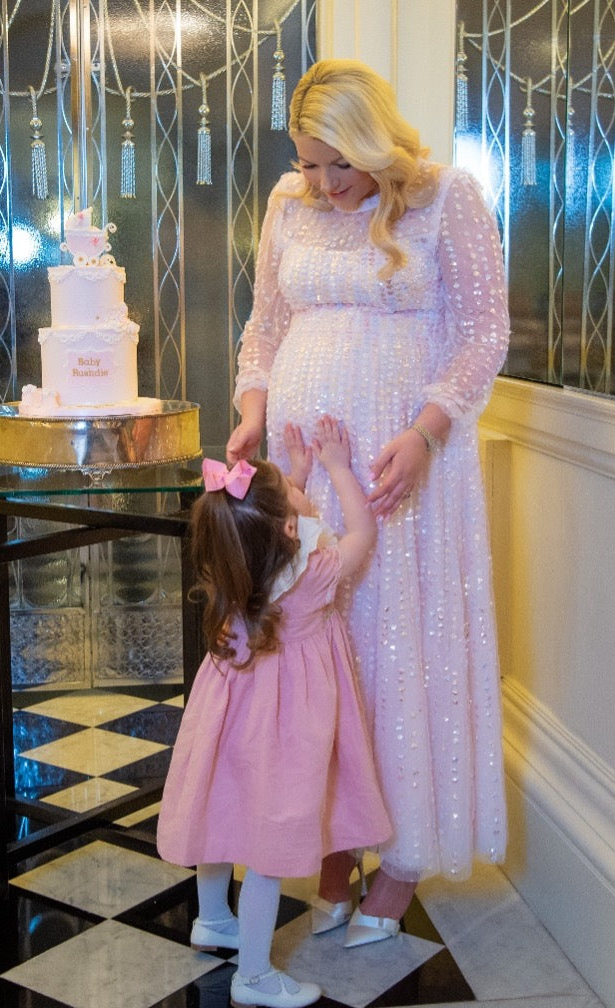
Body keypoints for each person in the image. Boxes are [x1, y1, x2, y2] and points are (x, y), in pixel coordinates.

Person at [226, 58, 509, 945]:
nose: (320, 183)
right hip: (306, 465)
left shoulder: (445, 197)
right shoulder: (286, 203)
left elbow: (483, 332)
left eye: (335, 164)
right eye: (307, 162)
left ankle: (402, 859)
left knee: (400, 641)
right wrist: (251, 413)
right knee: (318, 642)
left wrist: (425, 433)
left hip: (401, 468)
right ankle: (333, 846)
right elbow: (266, 327)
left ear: (374, 141)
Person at [157, 415, 392, 1008]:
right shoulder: (313, 575)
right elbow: (360, 533)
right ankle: (255, 976)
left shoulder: (232, 566)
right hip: (282, 730)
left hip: (226, 723)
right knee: (268, 847)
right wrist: (338, 469)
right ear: (288, 526)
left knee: (219, 815)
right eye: (288, 492)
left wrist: (296, 477)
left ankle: (212, 919)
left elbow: (273, 524)